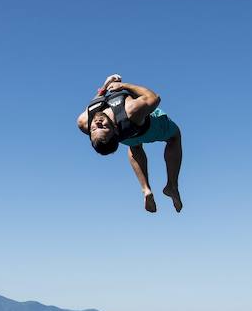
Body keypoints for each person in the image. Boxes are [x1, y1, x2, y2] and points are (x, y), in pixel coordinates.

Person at [77, 74, 183, 213]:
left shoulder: (84, 122)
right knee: (174, 137)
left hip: (128, 138)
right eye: (103, 127)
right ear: (114, 129)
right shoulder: (131, 110)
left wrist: (105, 87)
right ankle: (172, 186)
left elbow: (94, 104)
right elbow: (155, 98)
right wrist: (123, 85)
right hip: (150, 128)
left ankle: (146, 189)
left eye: (94, 128)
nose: (97, 123)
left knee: (134, 146)